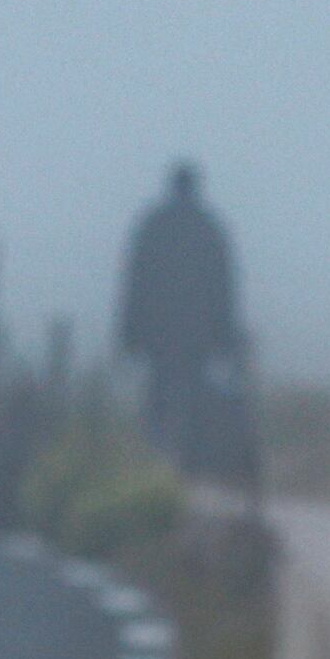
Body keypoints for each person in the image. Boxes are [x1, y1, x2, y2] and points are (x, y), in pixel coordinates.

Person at [114, 160, 249, 479]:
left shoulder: (154, 225)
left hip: (160, 333)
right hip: (196, 334)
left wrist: (128, 331)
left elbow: (135, 282)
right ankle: (181, 459)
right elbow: (224, 287)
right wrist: (226, 335)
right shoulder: (208, 227)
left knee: (162, 392)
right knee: (189, 391)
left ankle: (161, 456)